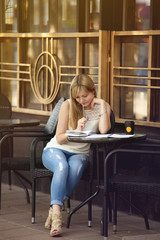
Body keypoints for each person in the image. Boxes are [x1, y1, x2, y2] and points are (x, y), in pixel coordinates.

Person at [42, 74, 111, 237]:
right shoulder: (67, 105)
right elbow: (59, 137)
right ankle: (58, 216)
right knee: (62, 167)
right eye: (77, 97)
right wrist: (76, 131)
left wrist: (101, 104)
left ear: (93, 91)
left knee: (75, 167)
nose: (81, 100)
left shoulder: (101, 106)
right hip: (56, 149)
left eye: (85, 96)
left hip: (80, 153)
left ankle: (53, 210)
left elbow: (104, 130)